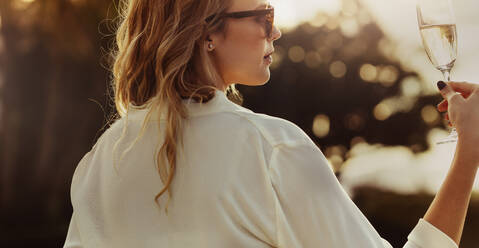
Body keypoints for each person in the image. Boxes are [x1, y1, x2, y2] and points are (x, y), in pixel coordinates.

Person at [63, 0, 479, 247]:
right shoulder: (272, 149)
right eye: (263, 15)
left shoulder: (100, 161)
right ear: (207, 32)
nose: (276, 31)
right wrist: (469, 151)